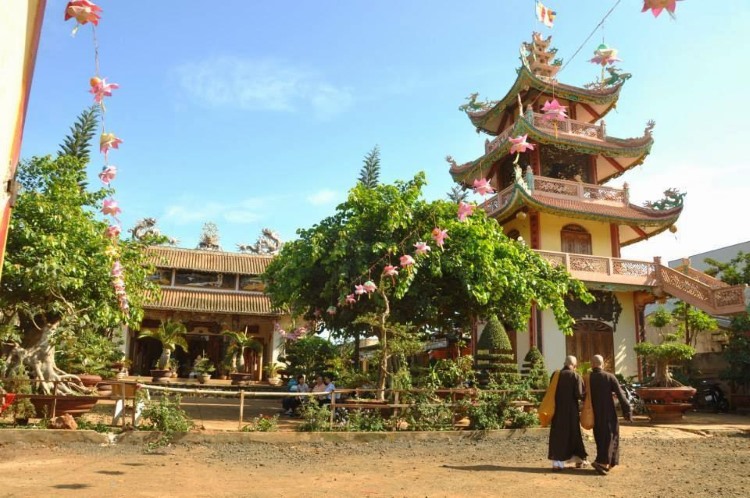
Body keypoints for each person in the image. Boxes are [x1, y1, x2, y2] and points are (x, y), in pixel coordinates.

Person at [588, 354, 632, 476]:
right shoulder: (609, 377)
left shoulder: (588, 378)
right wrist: (627, 411)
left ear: (592, 364)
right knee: (611, 436)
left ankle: (605, 462)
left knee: (599, 437)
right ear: (602, 364)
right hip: (608, 412)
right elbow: (621, 395)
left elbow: (582, 395)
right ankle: (603, 463)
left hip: (594, 413)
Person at [548, 355, 588, 471]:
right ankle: (579, 459)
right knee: (574, 435)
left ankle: (557, 464)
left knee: (558, 436)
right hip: (571, 412)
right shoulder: (575, 376)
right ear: (574, 366)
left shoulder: (555, 375)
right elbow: (579, 395)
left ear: (564, 363)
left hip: (557, 411)